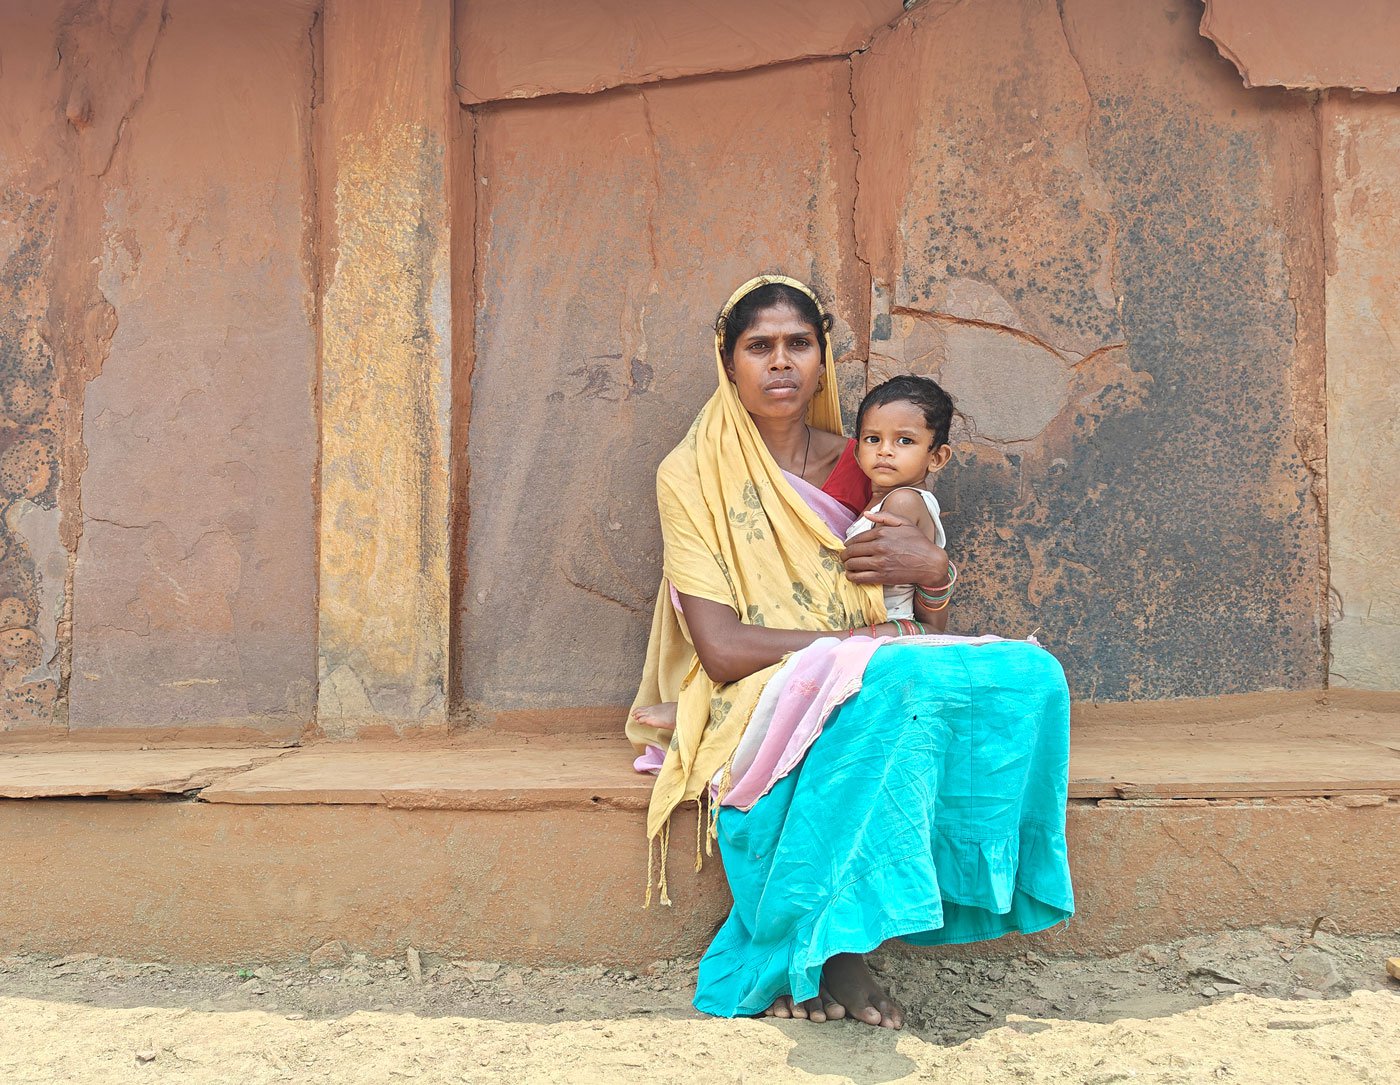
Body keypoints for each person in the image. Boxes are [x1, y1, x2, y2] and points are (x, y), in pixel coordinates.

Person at [627, 275, 1073, 1030]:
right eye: (758, 346)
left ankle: (973, 888)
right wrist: (852, 648)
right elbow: (724, 647)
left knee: (1033, 675)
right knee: (892, 675)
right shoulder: (691, 474)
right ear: (728, 360)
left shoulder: (867, 463)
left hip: (879, 664)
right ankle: (834, 950)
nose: (780, 364)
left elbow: (917, 610)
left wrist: (938, 573)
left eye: (798, 345)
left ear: (822, 358)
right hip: (772, 676)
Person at [845, 375, 955, 627]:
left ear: (937, 457)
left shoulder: (904, 501)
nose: (885, 450)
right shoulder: (879, 501)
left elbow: (872, 575)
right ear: (857, 453)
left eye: (904, 440)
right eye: (873, 439)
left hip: (888, 628)